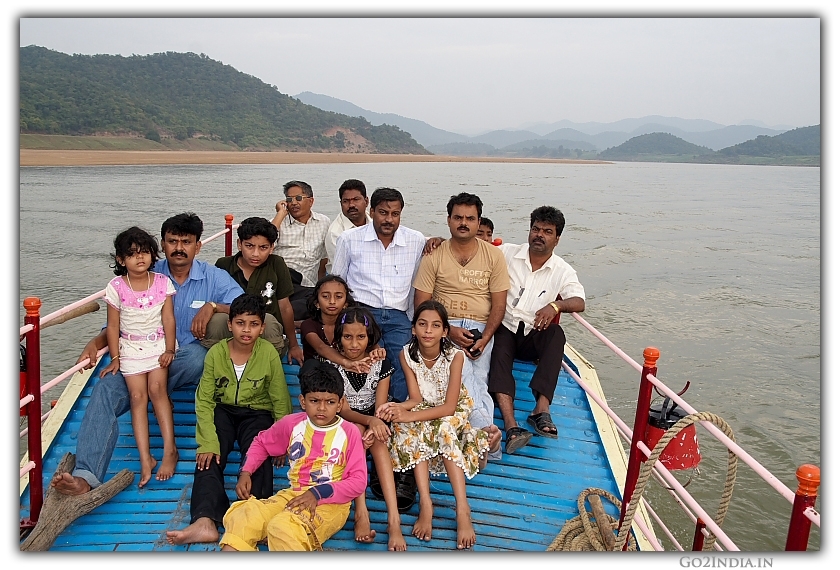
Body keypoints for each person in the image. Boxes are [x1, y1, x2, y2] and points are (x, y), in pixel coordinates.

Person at [51, 213, 244, 497]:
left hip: (180, 358)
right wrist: (97, 340)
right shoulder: (143, 273)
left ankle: (161, 419)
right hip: (136, 355)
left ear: (198, 246)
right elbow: (119, 321)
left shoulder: (213, 277)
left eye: (186, 242)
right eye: (172, 241)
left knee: (198, 358)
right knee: (105, 389)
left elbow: (244, 307)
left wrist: (213, 305)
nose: (179, 247)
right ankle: (85, 475)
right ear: (162, 245)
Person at [165, 294, 292, 546]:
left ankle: (251, 515)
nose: (247, 330)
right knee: (208, 459)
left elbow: (280, 398)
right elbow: (204, 401)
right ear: (230, 325)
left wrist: (281, 439)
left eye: (254, 324)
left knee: (260, 454)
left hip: (257, 412)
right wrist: (208, 441)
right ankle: (205, 520)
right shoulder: (216, 353)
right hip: (222, 410)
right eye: (241, 323)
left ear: (262, 328)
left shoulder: (268, 353)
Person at [219, 360, 367, 552]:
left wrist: (316, 493)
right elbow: (261, 442)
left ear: (340, 404)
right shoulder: (292, 424)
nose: (322, 408)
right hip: (293, 495)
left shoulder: (349, 432)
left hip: (330, 505)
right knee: (246, 513)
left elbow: (358, 481)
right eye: (314, 401)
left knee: (282, 527)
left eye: (330, 402)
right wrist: (246, 472)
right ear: (303, 401)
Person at [377, 300, 490, 550]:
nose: (428, 331)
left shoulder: (455, 356)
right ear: (413, 329)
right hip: (423, 405)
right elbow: (416, 398)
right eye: (422, 324)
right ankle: (426, 502)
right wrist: (397, 409)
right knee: (410, 430)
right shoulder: (406, 354)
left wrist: (410, 415)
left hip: (454, 406)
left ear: (445, 331)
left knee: (444, 428)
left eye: (436, 325)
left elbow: (450, 407)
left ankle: (463, 508)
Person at [413, 193, 506, 461]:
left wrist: (486, 337)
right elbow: (423, 302)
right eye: (458, 218)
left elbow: (499, 303)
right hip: (444, 325)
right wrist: (449, 331)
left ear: (479, 223)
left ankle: (482, 436)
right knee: (463, 372)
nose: (463, 223)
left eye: (470, 218)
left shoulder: (493, 257)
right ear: (449, 220)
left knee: (479, 379)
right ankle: (486, 435)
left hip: (481, 328)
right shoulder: (434, 254)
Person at [488, 206, 585, 454]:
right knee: (498, 347)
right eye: (536, 229)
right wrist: (435, 243)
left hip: (533, 335)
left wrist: (555, 305)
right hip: (506, 330)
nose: (539, 235)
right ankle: (511, 426)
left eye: (547, 231)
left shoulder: (562, 269)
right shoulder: (507, 253)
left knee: (556, 335)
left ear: (557, 238)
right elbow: (474, 249)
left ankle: (540, 410)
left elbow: (579, 302)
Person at [332, 187, 427, 403]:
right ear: (372, 211)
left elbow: (419, 279)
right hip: (363, 313)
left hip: (398, 315)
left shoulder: (416, 240)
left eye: (395, 214)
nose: (389, 219)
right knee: (371, 361)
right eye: (383, 212)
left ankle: (400, 415)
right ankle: (368, 412)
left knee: (404, 363)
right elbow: (337, 283)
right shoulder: (349, 239)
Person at [101, 226, 177, 487]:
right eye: (132, 254)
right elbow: (113, 325)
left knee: (158, 391)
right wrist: (114, 357)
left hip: (157, 346)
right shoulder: (116, 287)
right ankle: (146, 458)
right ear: (121, 260)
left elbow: (168, 318)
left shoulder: (162, 283)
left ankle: (169, 449)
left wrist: (169, 349)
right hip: (130, 349)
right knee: (137, 398)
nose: (140, 258)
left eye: (145, 252)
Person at [331, 306, 406, 551]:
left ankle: (394, 519)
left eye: (361, 337)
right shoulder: (333, 363)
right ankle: (360, 510)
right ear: (339, 337)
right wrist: (369, 423)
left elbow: (381, 405)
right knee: (356, 432)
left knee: (379, 442)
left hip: (373, 419)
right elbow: (341, 410)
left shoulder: (380, 362)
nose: (354, 344)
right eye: (348, 337)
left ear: (370, 337)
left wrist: (376, 422)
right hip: (343, 422)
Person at [210, 216, 303, 364]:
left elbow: (285, 306)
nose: (255, 254)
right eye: (249, 246)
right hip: (234, 328)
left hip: (266, 329)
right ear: (239, 244)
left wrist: (294, 345)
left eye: (263, 248)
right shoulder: (223, 265)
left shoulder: (276, 264)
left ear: (272, 247)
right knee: (216, 321)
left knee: (270, 326)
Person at [270, 180, 330, 321]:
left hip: (307, 286)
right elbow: (265, 241)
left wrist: (320, 284)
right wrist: (280, 214)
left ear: (311, 201)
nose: (294, 203)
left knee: (317, 303)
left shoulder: (324, 222)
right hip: (283, 280)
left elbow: (324, 257)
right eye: (289, 199)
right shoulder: (278, 223)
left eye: (298, 198)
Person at [299, 274, 385, 372]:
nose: (332, 301)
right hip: (316, 377)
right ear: (316, 303)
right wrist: (346, 363)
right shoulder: (309, 325)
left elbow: (367, 338)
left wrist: (377, 349)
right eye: (325, 296)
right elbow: (321, 347)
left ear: (346, 303)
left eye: (338, 296)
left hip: (348, 373)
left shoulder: (349, 324)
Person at [325, 179, 371, 273]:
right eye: (346, 201)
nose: (351, 205)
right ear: (341, 203)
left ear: (366, 201)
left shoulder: (374, 223)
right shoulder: (335, 233)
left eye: (356, 199)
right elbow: (343, 271)